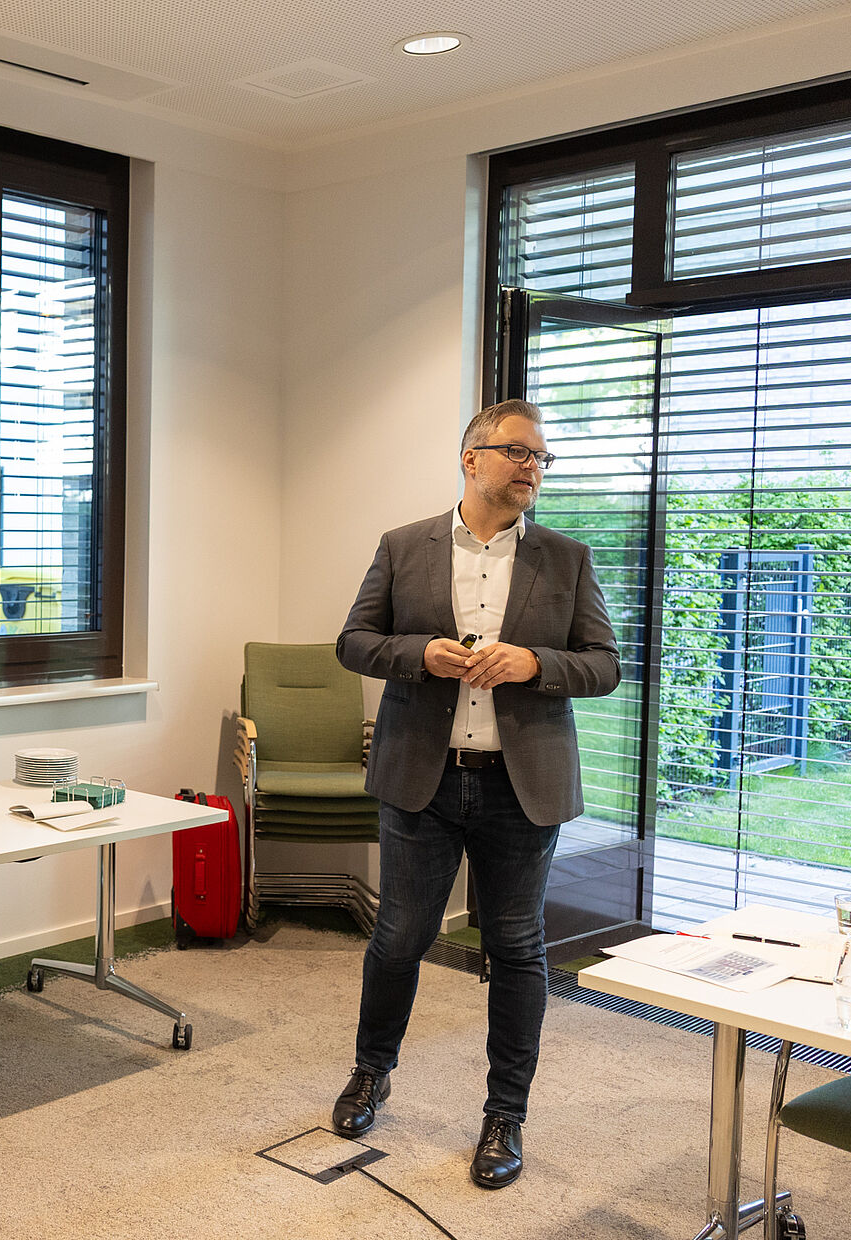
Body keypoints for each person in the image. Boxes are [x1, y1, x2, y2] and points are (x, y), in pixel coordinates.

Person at [329, 398, 619, 1189]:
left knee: (518, 950)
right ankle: (370, 1071)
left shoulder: (566, 557)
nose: (532, 468)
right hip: (422, 780)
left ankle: (505, 1116)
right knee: (399, 939)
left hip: (520, 789)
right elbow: (353, 641)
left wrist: (535, 665)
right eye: (519, 453)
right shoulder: (403, 546)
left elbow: (604, 663)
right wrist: (420, 653)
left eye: (540, 458)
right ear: (472, 458)